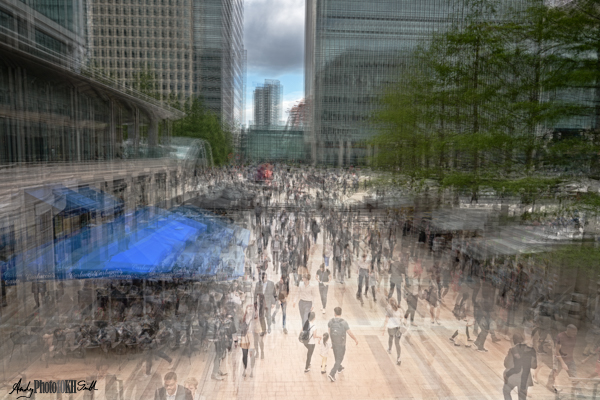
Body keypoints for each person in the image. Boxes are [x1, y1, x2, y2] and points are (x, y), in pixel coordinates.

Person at [327, 307, 359, 382]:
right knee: (340, 358)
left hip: (334, 343)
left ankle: (339, 367)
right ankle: (332, 373)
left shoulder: (330, 321)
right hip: (341, 343)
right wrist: (355, 339)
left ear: (334, 313)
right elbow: (349, 332)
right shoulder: (344, 322)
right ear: (341, 313)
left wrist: (330, 343)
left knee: (337, 357)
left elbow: (329, 333)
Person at [503, 333, 537, 400]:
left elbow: (507, 364)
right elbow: (534, 366)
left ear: (514, 340)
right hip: (525, 378)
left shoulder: (513, 350)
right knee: (522, 397)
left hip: (513, 377)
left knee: (506, 391)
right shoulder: (531, 350)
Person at [547, 324, 579, 394]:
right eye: (573, 332)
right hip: (559, 359)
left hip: (570, 359)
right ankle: (550, 385)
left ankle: (577, 391)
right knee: (555, 373)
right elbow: (557, 351)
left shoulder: (574, 337)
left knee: (574, 376)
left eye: (575, 332)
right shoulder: (560, 336)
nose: (575, 334)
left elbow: (570, 349)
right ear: (568, 330)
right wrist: (563, 363)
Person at [382, 298, 403, 365]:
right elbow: (402, 319)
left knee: (390, 337)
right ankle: (399, 358)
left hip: (391, 327)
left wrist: (384, 328)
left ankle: (390, 349)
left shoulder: (389, 310)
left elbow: (386, 320)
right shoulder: (400, 310)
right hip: (398, 328)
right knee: (397, 343)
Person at [240, 304, 257, 377]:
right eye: (248, 308)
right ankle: (244, 369)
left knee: (252, 355)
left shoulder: (255, 319)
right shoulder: (243, 319)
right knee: (244, 355)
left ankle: (252, 370)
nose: (250, 310)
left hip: (252, 338)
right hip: (244, 339)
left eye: (251, 309)